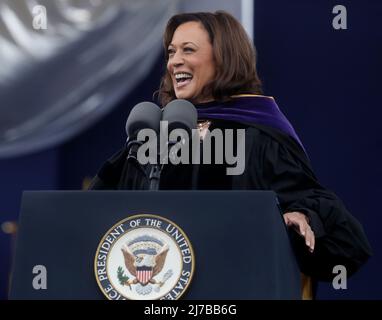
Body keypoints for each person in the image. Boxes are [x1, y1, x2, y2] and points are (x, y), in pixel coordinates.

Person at [89, 11, 372, 297]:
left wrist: (302, 215)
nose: (174, 61)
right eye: (172, 52)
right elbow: (90, 217)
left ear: (224, 58)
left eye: (188, 50)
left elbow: (343, 239)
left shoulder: (259, 137)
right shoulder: (149, 138)